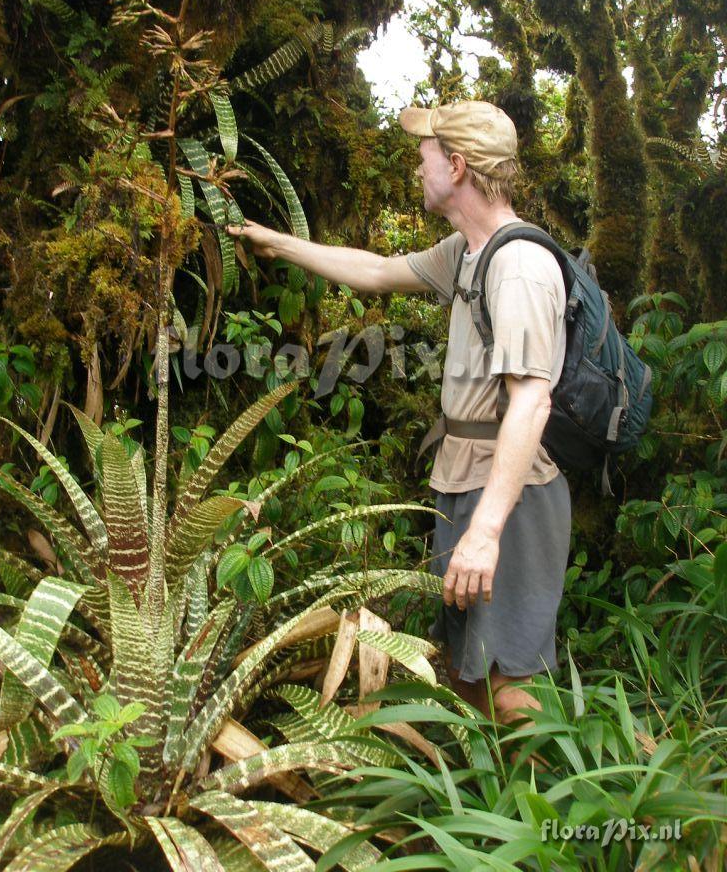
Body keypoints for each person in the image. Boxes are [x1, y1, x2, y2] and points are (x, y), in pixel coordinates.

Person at [225, 100, 571, 727]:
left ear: (459, 167)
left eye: (427, 155)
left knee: (512, 684)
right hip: (462, 476)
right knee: (469, 671)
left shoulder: (519, 267)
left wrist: (487, 533)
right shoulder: (469, 251)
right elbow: (379, 272)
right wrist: (279, 242)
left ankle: (545, 815)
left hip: (512, 496)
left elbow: (532, 400)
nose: (418, 165)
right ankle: (480, 813)